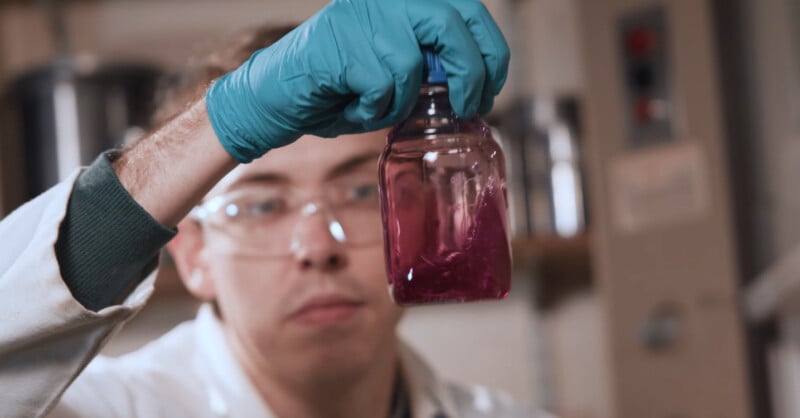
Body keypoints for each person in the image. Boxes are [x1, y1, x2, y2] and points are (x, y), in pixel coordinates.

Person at [0, 1, 542, 417]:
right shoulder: (106, 407)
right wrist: (220, 122)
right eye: (260, 206)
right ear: (193, 256)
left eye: (358, 193)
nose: (317, 249)